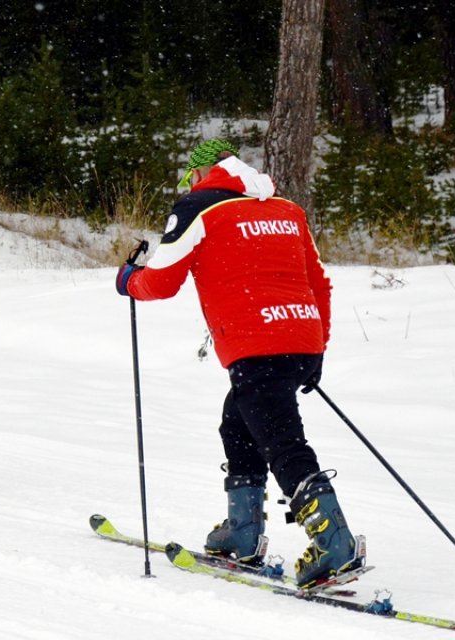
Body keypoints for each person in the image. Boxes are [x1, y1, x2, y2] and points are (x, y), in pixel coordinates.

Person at [115, 139, 365, 588]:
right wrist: (317, 345)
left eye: (189, 177)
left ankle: (335, 543)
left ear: (199, 173)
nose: (188, 184)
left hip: (257, 342)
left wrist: (130, 281)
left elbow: (164, 280)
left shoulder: (198, 207)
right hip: (300, 336)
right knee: (239, 424)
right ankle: (242, 532)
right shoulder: (287, 209)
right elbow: (319, 282)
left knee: (283, 443)